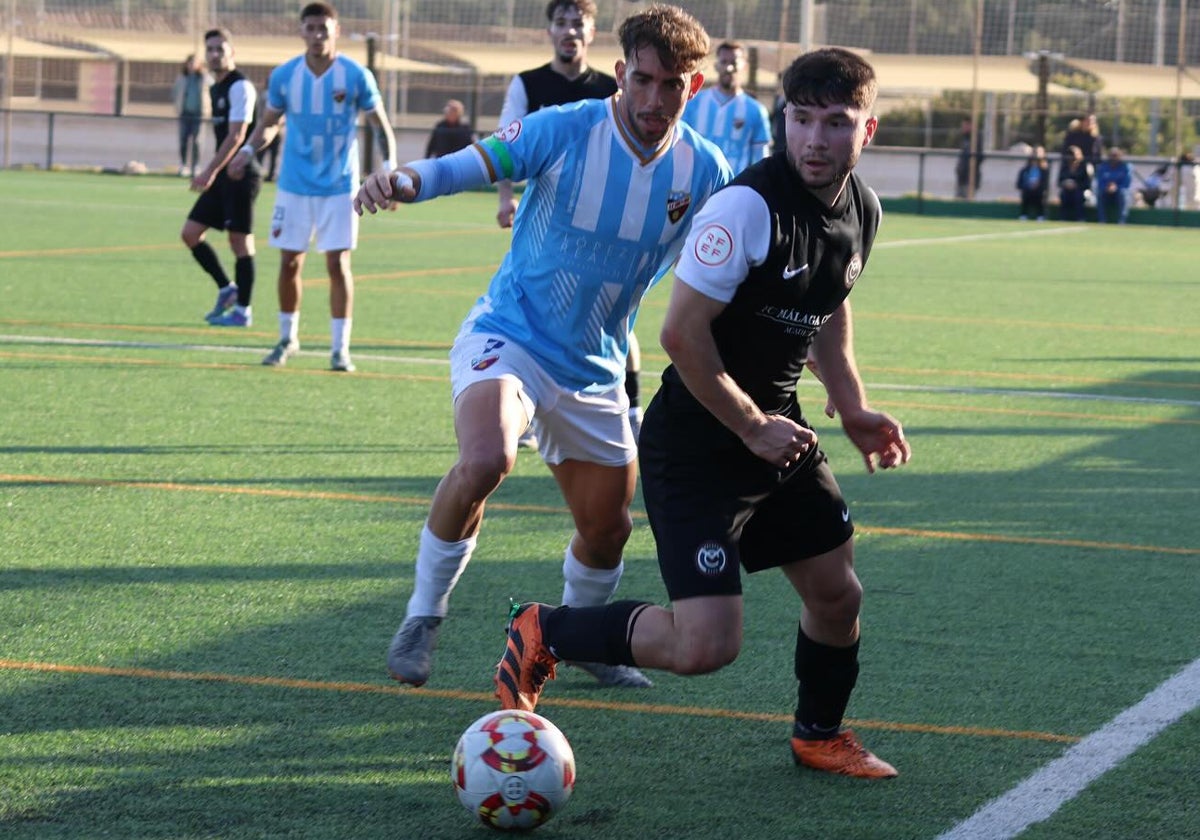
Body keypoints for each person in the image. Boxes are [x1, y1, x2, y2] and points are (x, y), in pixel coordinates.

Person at [493, 46, 911, 780]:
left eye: (837, 123)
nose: (816, 140)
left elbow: (829, 304)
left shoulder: (862, 211)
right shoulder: (746, 207)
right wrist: (751, 426)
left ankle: (820, 733)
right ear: (783, 120)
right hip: (697, 442)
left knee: (838, 593)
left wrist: (852, 408)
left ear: (867, 131)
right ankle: (545, 629)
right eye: (802, 120)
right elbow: (681, 335)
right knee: (705, 647)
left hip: (776, 430)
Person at [354, 3, 732, 692]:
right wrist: (407, 179)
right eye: (642, 80)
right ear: (620, 74)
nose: (654, 99)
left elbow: (729, 261)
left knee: (609, 528)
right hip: (511, 333)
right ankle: (422, 615)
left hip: (594, 369)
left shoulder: (705, 171)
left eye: (671, 85)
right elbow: (479, 161)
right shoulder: (566, 128)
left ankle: (582, 638)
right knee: (487, 457)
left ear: (694, 87)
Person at [493, 1, 646, 446]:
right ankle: (526, 409)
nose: (569, 31)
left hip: (605, 222)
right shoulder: (528, 84)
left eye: (578, 23)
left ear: (592, 32)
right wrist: (506, 198)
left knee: (612, 318)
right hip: (545, 224)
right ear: (549, 31)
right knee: (534, 312)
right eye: (561, 23)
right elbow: (504, 144)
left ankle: (630, 408)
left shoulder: (609, 88)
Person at [228, 1, 396, 373]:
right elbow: (269, 123)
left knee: (338, 264)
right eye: (311, 28)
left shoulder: (355, 75)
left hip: (339, 187)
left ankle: (340, 349)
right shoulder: (285, 75)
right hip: (294, 185)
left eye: (324, 28)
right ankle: (288, 338)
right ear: (301, 31)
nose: (318, 35)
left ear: (336, 30)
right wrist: (249, 149)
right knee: (290, 263)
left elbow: (379, 125)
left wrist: (389, 170)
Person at [181, 28, 262, 329]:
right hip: (223, 175)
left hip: (241, 173)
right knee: (190, 233)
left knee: (239, 242)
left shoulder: (240, 87)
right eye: (210, 49)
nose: (215, 54)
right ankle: (227, 289)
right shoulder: (215, 87)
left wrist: (210, 170)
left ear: (232, 52)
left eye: (220, 49)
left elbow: (238, 134)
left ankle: (243, 311)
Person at [682, 41, 771, 174]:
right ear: (716, 66)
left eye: (734, 63)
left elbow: (761, 159)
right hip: (697, 184)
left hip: (736, 188)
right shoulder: (693, 102)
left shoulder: (756, 110)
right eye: (724, 62)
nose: (729, 68)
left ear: (744, 66)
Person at [172, 54, 208, 178]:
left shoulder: (204, 78)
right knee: (183, 140)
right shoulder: (182, 78)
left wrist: (207, 110)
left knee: (197, 141)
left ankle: (196, 166)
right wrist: (177, 107)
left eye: (194, 63)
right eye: (190, 63)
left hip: (199, 114)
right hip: (185, 114)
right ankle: (183, 165)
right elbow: (175, 93)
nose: (192, 66)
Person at [1094, 147, 1132, 224]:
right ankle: (1102, 220)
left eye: (1115, 155)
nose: (1113, 158)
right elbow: (1100, 182)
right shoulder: (1102, 167)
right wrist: (1107, 187)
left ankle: (1122, 220)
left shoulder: (1125, 167)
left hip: (1119, 191)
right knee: (1100, 193)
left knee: (1123, 193)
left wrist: (1116, 187)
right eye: (1111, 155)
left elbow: (1126, 183)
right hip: (1106, 191)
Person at [1057, 144, 1092, 222]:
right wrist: (1066, 183)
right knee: (1064, 195)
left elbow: (1087, 183)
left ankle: (1080, 217)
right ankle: (1063, 218)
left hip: (1080, 190)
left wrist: (1076, 185)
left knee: (1078, 195)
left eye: (1073, 155)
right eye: (1070, 155)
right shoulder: (1065, 167)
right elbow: (1059, 181)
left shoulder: (1084, 166)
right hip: (1067, 190)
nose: (1072, 157)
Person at [1015, 145, 1049, 220]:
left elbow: (1045, 183)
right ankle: (1024, 215)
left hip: (1039, 191)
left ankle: (1041, 215)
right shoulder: (1025, 169)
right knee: (1026, 194)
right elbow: (1020, 182)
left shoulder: (1044, 170)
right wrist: (1028, 184)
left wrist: (1037, 185)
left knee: (1040, 195)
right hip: (1027, 189)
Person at [954, 118, 983, 199]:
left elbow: (979, 157)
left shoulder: (976, 139)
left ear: (971, 126)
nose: (963, 128)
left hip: (970, 179)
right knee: (958, 201)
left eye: (965, 126)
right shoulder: (965, 138)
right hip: (961, 178)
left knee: (967, 202)